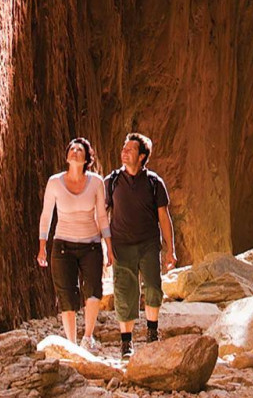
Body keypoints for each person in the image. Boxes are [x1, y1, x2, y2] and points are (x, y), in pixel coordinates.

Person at [104, 133, 176, 359]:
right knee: (124, 292)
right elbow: (102, 214)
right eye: (123, 148)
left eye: (130, 149)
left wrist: (170, 249)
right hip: (121, 245)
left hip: (148, 244)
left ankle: (152, 332)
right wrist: (105, 246)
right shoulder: (112, 181)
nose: (124, 152)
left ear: (142, 156)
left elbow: (164, 217)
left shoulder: (155, 183)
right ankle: (126, 343)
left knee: (153, 286)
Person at [37, 138, 110, 351]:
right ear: (67, 155)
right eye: (72, 149)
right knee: (66, 294)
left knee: (94, 290)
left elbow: (102, 217)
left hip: (91, 245)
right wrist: (42, 245)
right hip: (62, 246)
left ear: (87, 158)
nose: (75, 152)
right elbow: (46, 216)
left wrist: (109, 246)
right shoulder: (55, 182)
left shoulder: (96, 182)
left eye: (80, 149)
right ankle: (71, 343)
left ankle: (88, 337)